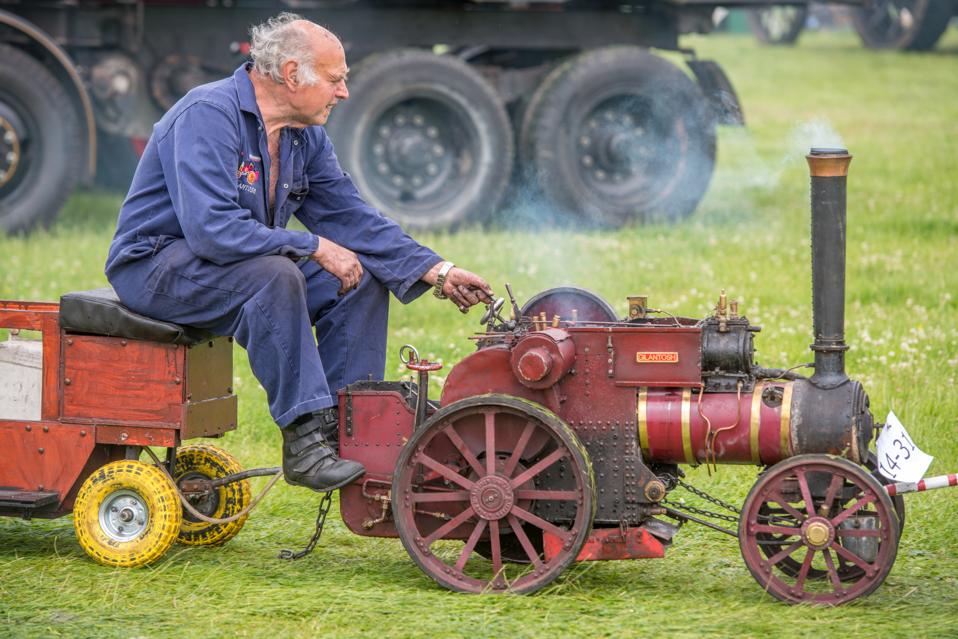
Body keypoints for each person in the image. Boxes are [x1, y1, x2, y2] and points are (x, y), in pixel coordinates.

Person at [104, 13, 493, 492]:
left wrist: (437, 270)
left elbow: (351, 217)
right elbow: (211, 231)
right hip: (156, 266)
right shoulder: (206, 114)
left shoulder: (302, 135)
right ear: (291, 74)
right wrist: (310, 245)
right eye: (335, 80)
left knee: (358, 277)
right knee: (276, 275)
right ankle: (305, 441)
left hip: (229, 266)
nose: (343, 92)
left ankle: (349, 428)